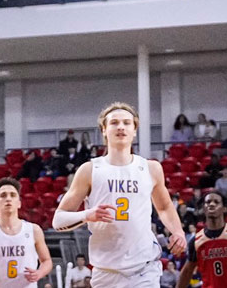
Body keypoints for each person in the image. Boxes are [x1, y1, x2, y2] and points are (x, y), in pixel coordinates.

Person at [52, 102, 187, 288]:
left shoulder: (151, 168)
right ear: (104, 130)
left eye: (126, 122)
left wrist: (178, 231)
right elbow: (58, 220)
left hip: (144, 267)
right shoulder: (89, 170)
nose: (121, 127)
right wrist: (87, 215)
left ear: (135, 130)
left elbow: (164, 207)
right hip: (106, 271)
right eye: (114, 122)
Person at [0, 177, 53, 288]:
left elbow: (47, 261)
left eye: (12, 195)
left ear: (19, 203)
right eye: (3, 195)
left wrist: (39, 273)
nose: (8, 199)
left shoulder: (34, 230)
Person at [175, 192, 227, 288]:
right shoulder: (196, 241)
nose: (212, 204)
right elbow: (186, 272)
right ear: (204, 208)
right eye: (208, 202)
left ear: (225, 208)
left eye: (216, 202)